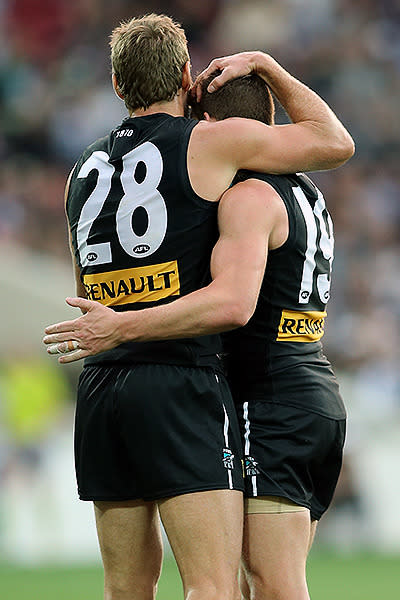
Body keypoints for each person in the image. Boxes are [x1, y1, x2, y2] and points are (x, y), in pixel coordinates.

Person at [44, 12, 354, 600]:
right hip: (181, 377)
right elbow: (333, 142)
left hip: (102, 387)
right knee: (214, 585)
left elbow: (94, 272)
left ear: (115, 86)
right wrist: (265, 64)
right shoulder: (211, 142)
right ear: (187, 77)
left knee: (125, 588)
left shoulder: (80, 171)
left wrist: (118, 322)